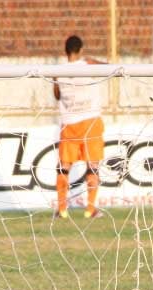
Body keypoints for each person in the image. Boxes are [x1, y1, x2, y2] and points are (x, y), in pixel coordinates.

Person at [52, 35, 106, 219]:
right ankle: (90, 209)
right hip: (91, 120)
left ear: (65, 51)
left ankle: (61, 209)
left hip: (70, 122)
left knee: (64, 166)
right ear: (81, 49)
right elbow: (109, 67)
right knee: (93, 165)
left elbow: (57, 94)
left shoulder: (57, 71)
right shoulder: (88, 64)